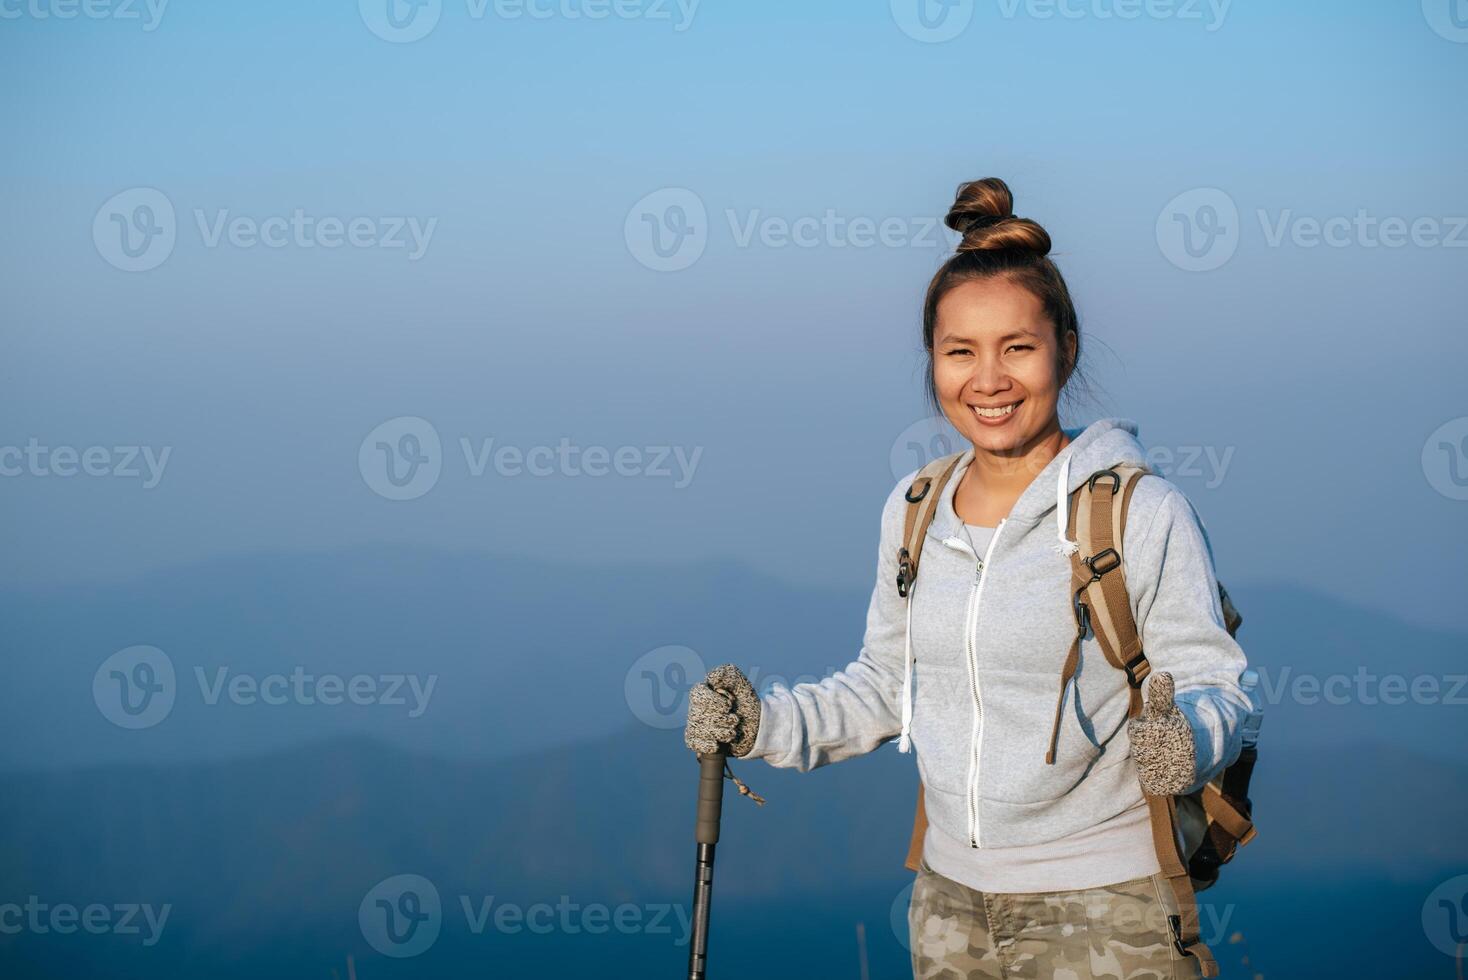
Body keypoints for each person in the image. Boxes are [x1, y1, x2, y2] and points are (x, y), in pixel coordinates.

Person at [683, 177, 1252, 979]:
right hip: (949, 906)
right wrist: (758, 725)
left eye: (1017, 347)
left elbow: (1216, 682)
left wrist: (1182, 741)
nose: (989, 380)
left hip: (1109, 907)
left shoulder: (1138, 511)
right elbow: (886, 687)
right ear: (933, 361)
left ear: (1068, 347)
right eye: (961, 352)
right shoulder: (916, 511)